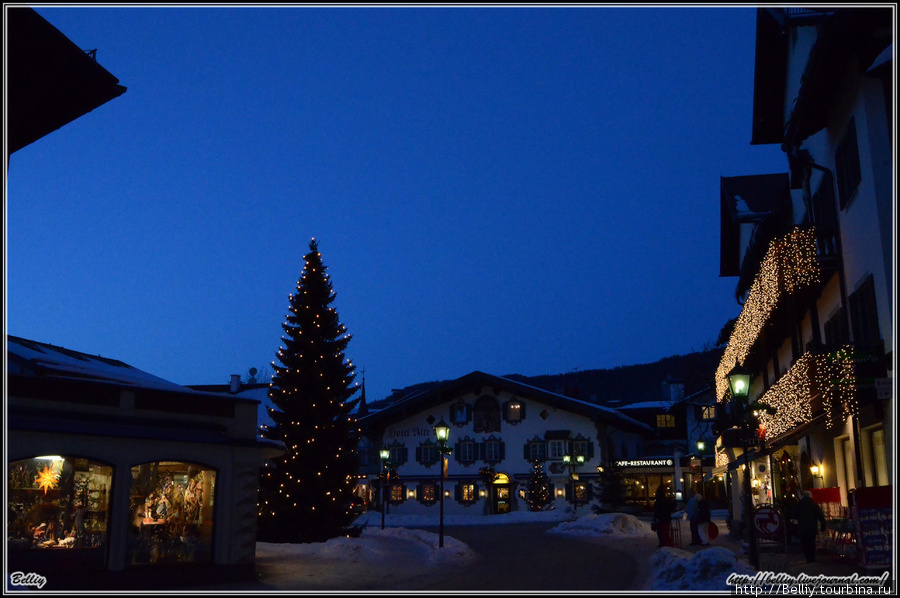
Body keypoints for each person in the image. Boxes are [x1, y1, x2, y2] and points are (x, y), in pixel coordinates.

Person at [791, 490, 827, 563]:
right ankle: (812, 557)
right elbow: (820, 515)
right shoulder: (814, 504)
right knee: (812, 543)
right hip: (812, 527)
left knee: (805, 543)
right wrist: (823, 525)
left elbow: (793, 514)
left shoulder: (799, 504)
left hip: (803, 527)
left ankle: (807, 557)